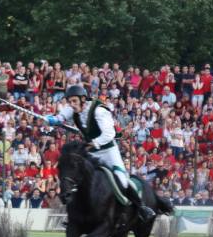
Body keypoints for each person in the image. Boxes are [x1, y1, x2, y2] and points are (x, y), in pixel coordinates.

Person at [46, 84, 155, 222]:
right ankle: (76, 214)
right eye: (70, 101)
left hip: (109, 151)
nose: (72, 105)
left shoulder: (99, 110)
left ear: (83, 99)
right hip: (92, 153)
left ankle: (141, 207)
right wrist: (53, 119)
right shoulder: (73, 108)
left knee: (122, 180)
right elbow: (61, 117)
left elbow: (110, 133)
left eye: (74, 101)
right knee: (79, 178)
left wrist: (95, 143)